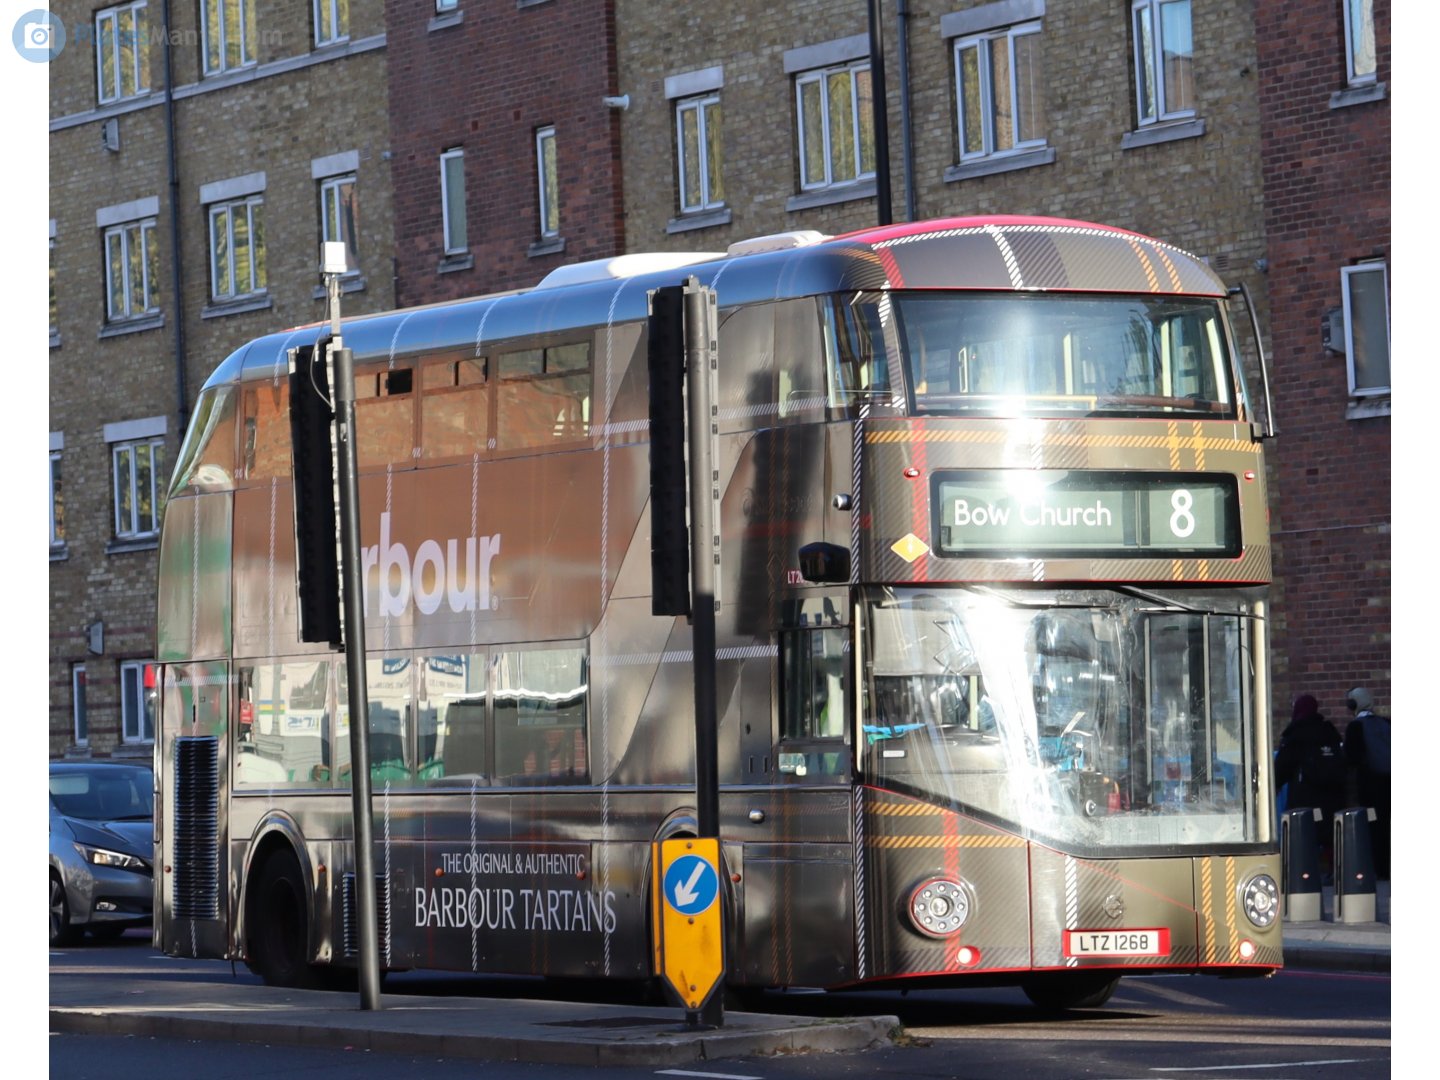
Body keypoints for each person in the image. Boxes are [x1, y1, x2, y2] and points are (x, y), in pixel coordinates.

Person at [1273, 693, 1346, 870]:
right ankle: (1333, 867)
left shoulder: (1296, 734)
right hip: (1331, 796)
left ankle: (1304, 871)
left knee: (1303, 835)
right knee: (1329, 833)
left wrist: (1274, 785)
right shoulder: (1328, 731)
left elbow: (1282, 767)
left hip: (1305, 795)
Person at [1342, 687, 1391, 879]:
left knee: (1373, 828)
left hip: (1370, 786)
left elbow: (1351, 758)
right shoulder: (1386, 723)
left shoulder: (1356, 727)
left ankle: (1378, 869)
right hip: (1390, 784)